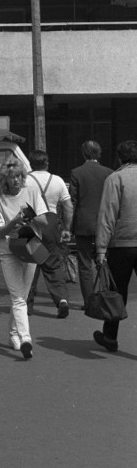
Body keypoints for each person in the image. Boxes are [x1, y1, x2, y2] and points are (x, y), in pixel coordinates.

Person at [0, 158, 48, 359]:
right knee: (18, 297)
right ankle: (25, 339)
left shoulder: (31, 192)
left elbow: (45, 220)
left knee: (22, 296)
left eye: (19, 177)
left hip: (30, 248)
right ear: (4, 180)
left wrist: (29, 216)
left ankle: (14, 334)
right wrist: (14, 221)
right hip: (8, 251)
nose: (16, 181)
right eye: (11, 178)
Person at [93, 140, 137, 352]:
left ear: (120, 158)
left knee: (116, 292)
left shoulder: (116, 178)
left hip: (122, 245)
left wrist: (101, 248)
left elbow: (107, 215)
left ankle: (110, 337)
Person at [26, 149, 73, 318]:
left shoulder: (25, 181)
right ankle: (61, 300)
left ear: (30, 164)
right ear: (47, 163)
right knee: (52, 263)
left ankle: (26, 305)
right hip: (51, 222)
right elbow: (68, 207)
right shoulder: (58, 181)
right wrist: (66, 228)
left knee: (30, 264)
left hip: (31, 222)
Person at [70, 140, 113, 309]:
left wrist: (68, 226)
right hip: (104, 224)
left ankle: (89, 301)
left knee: (84, 264)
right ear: (99, 153)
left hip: (83, 223)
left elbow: (72, 201)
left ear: (84, 154)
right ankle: (106, 297)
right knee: (104, 261)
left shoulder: (77, 172)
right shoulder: (109, 173)